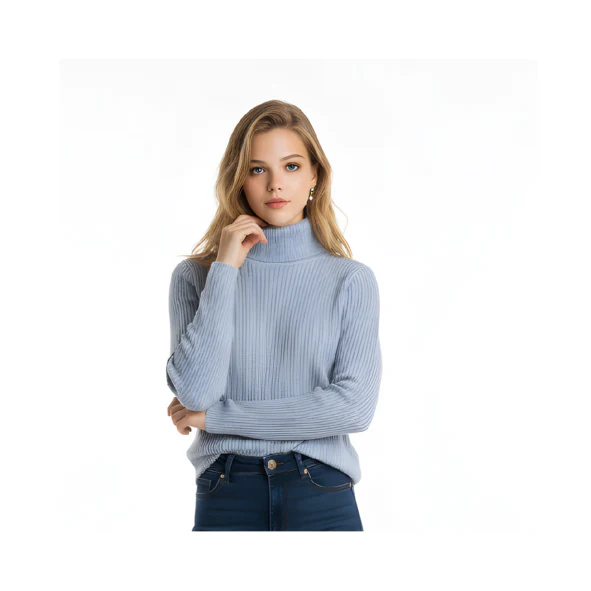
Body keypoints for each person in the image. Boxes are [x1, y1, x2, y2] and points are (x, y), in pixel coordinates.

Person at [166, 99, 382, 531]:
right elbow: (197, 393)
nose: (275, 185)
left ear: (315, 175)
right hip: (226, 491)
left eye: (292, 166)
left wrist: (219, 419)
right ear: (239, 179)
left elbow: (354, 408)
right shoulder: (197, 276)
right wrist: (225, 269)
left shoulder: (350, 280)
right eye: (257, 169)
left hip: (321, 491)